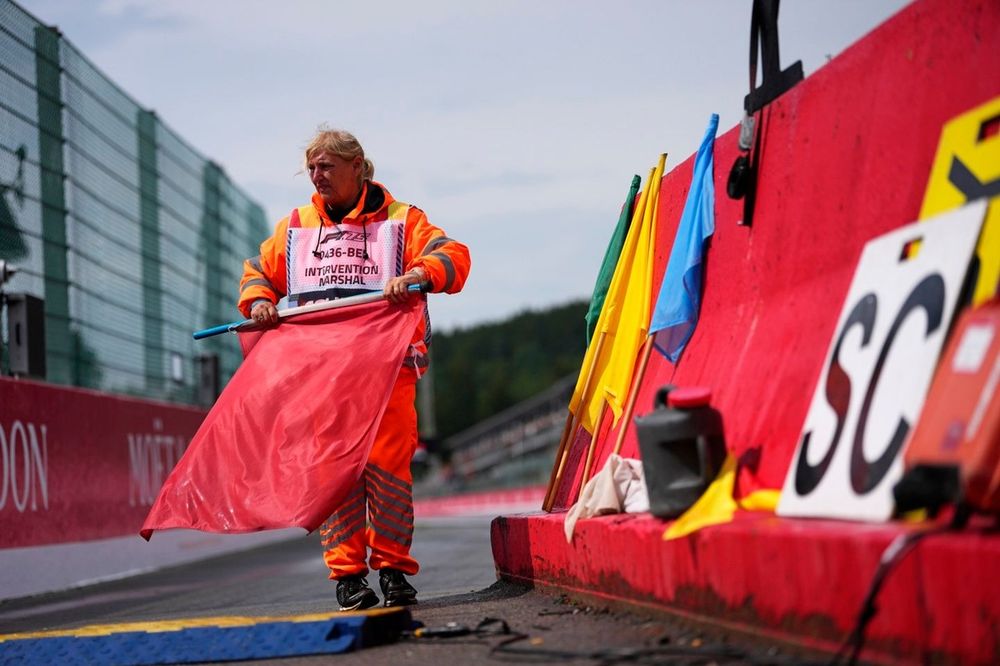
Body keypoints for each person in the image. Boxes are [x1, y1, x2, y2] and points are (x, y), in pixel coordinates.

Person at [238, 127, 471, 610]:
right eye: (312, 168)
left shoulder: (403, 220)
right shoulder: (296, 226)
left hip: (387, 373)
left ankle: (392, 571)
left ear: (357, 166)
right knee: (334, 476)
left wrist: (419, 274)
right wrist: (259, 301)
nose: (316, 176)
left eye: (326, 166)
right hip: (321, 378)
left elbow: (452, 255)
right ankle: (347, 577)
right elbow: (257, 272)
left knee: (388, 475)